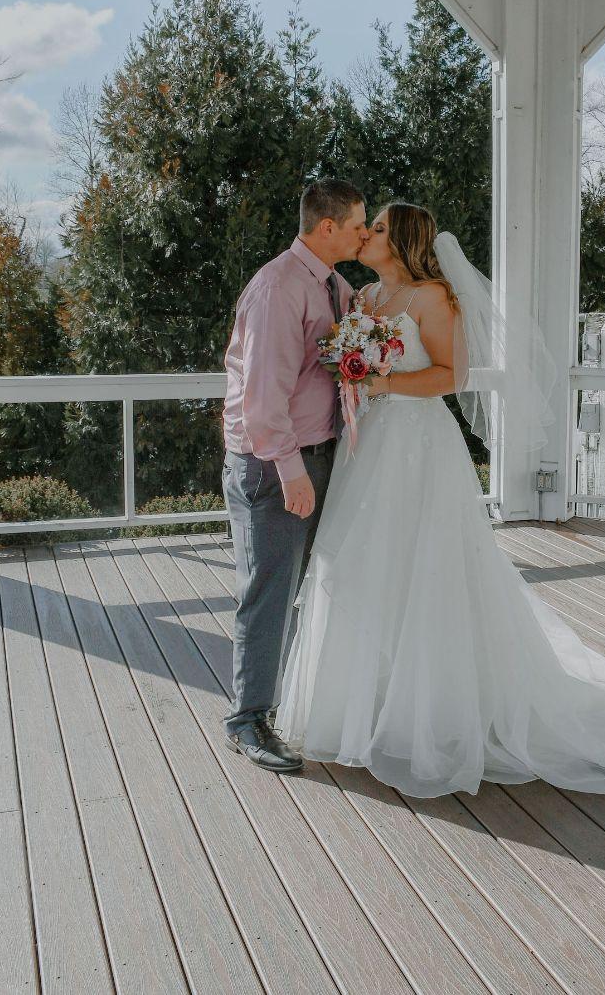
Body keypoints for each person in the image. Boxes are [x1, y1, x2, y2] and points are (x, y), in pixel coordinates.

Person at [274, 201, 605, 806]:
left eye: (378, 227)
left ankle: (430, 712)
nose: (366, 234)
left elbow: (452, 376)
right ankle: (365, 706)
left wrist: (380, 381)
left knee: (427, 568)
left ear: (404, 239)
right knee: (367, 567)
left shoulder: (432, 299)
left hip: (417, 446)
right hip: (370, 448)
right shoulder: (364, 298)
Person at [221, 178, 368, 771]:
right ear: (327, 227)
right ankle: (248, 720)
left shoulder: (334, 286)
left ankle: (284, 705)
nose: (365, 233)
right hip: (274, 462)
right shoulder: (279, 288)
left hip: (318, 453)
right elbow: (262, 401)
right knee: (269, 590)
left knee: (301, 587)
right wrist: (291, 471)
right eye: (358, 224)